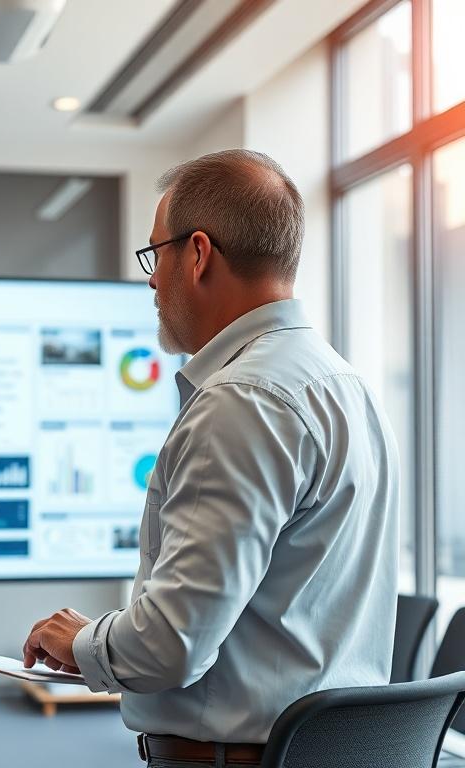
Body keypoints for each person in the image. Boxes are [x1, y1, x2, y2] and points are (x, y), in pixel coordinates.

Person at [23, 149, 399, 768]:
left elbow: (173, 645)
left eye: (155, 254)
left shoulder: (241, 401)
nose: (151, 281)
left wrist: (86, 641)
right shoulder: (345, 386)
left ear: (197, 254)